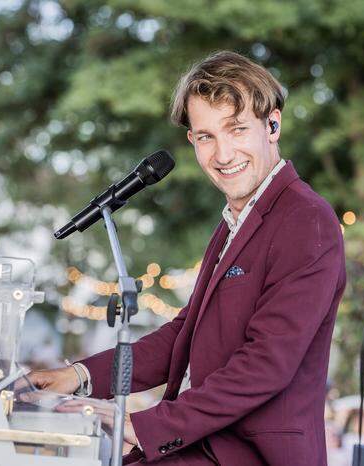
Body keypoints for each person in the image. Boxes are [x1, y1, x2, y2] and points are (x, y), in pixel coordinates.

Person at [23, 50, 346, 465]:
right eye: (207, 136)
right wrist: (80, 376)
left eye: (237, 129)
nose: (224, 154)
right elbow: (183, 337)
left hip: (248, 455)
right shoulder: (236, 220)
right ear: (193, 140)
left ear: (273, 125)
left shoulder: (306, 219)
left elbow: (267, 364)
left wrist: (143, 426)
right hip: (205, 446)